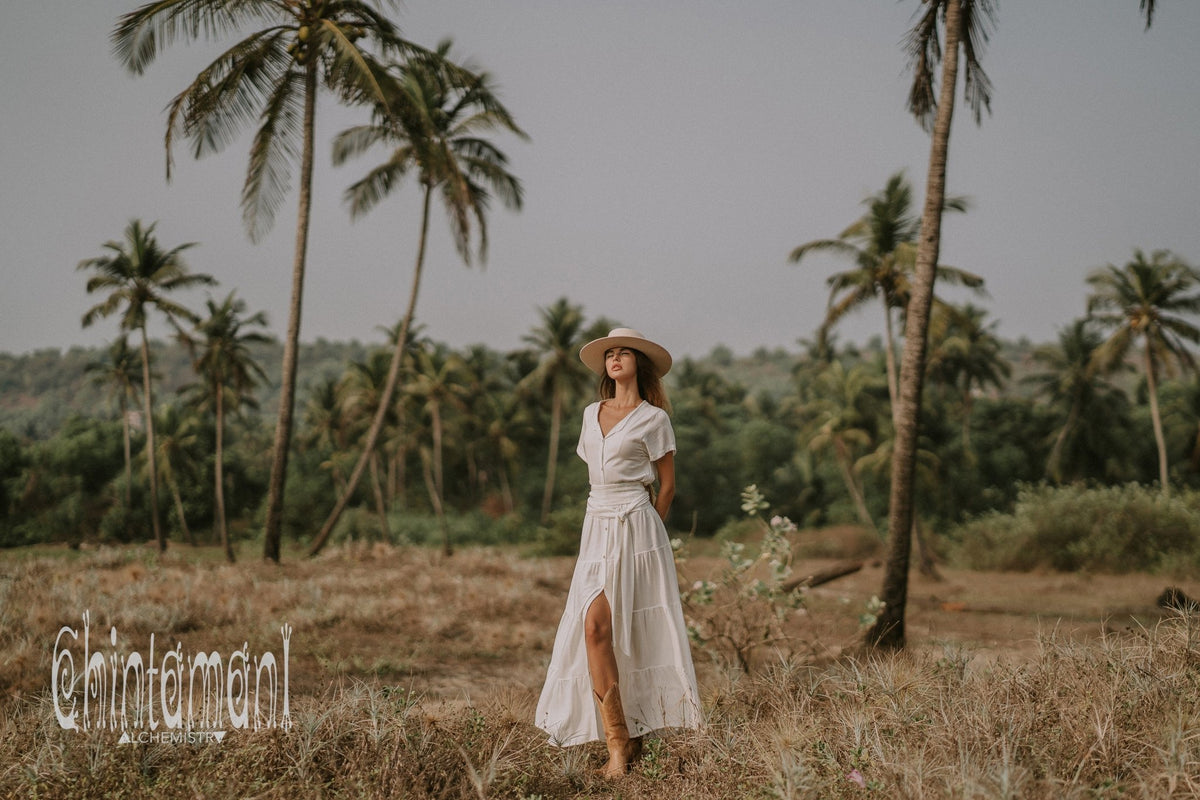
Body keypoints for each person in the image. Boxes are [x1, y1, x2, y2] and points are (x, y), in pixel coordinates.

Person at [535, 327, 702, 778]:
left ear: (638, 365)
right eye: (609, 353)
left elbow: (666, 487)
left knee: (633, 629)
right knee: (593, 628)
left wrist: (649, 537)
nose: (614, 358)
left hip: (638, 528)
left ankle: (630, 742)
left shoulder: (654, 418)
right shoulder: (591, 414)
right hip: (596, 525)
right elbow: (596, 475)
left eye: (623, 352)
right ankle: (619, 742)